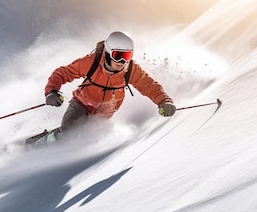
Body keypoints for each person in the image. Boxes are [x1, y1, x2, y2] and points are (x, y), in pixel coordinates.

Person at [45, 31, 176, 136]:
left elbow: (149, 85)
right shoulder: (92, 63)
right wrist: (52, 91)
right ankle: (44, 142)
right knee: (69, 134)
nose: (122, 61)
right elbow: (63, 73)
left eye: (127, 56)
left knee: (86, 139)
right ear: (108, 53)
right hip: (82, 104)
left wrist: (164, 101)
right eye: (118, 55)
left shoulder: (130, 69)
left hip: (103, 115)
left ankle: (57, 135)